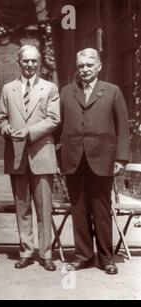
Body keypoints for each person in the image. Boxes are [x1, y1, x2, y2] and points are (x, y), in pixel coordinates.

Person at [59, 48, 130, 275]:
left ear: (99, 66)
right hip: (73, 159)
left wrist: (121, 158)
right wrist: (60, 153)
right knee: (78, 209)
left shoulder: (112, 91)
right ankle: (83, 256)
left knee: (101, 210)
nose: (85, 69)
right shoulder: (67, 92)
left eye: (89, 65)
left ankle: (106, 258)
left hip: (102, 159)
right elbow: (58, 126)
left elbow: (123, 128)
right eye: (81, 66)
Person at [0, 45, 60, 271]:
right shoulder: (8, 89)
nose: (30, 65)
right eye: (26, 61)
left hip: (42, 154)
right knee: (22, 207)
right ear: (19, 62)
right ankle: (26, 251)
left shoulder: (49, 88)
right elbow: (1, 118)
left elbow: (54, 119)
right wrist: (5, 129)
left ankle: (46, 254)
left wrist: (29, 132)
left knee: (44, 208)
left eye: (34, 61)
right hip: (16, 155)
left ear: (39, 62)